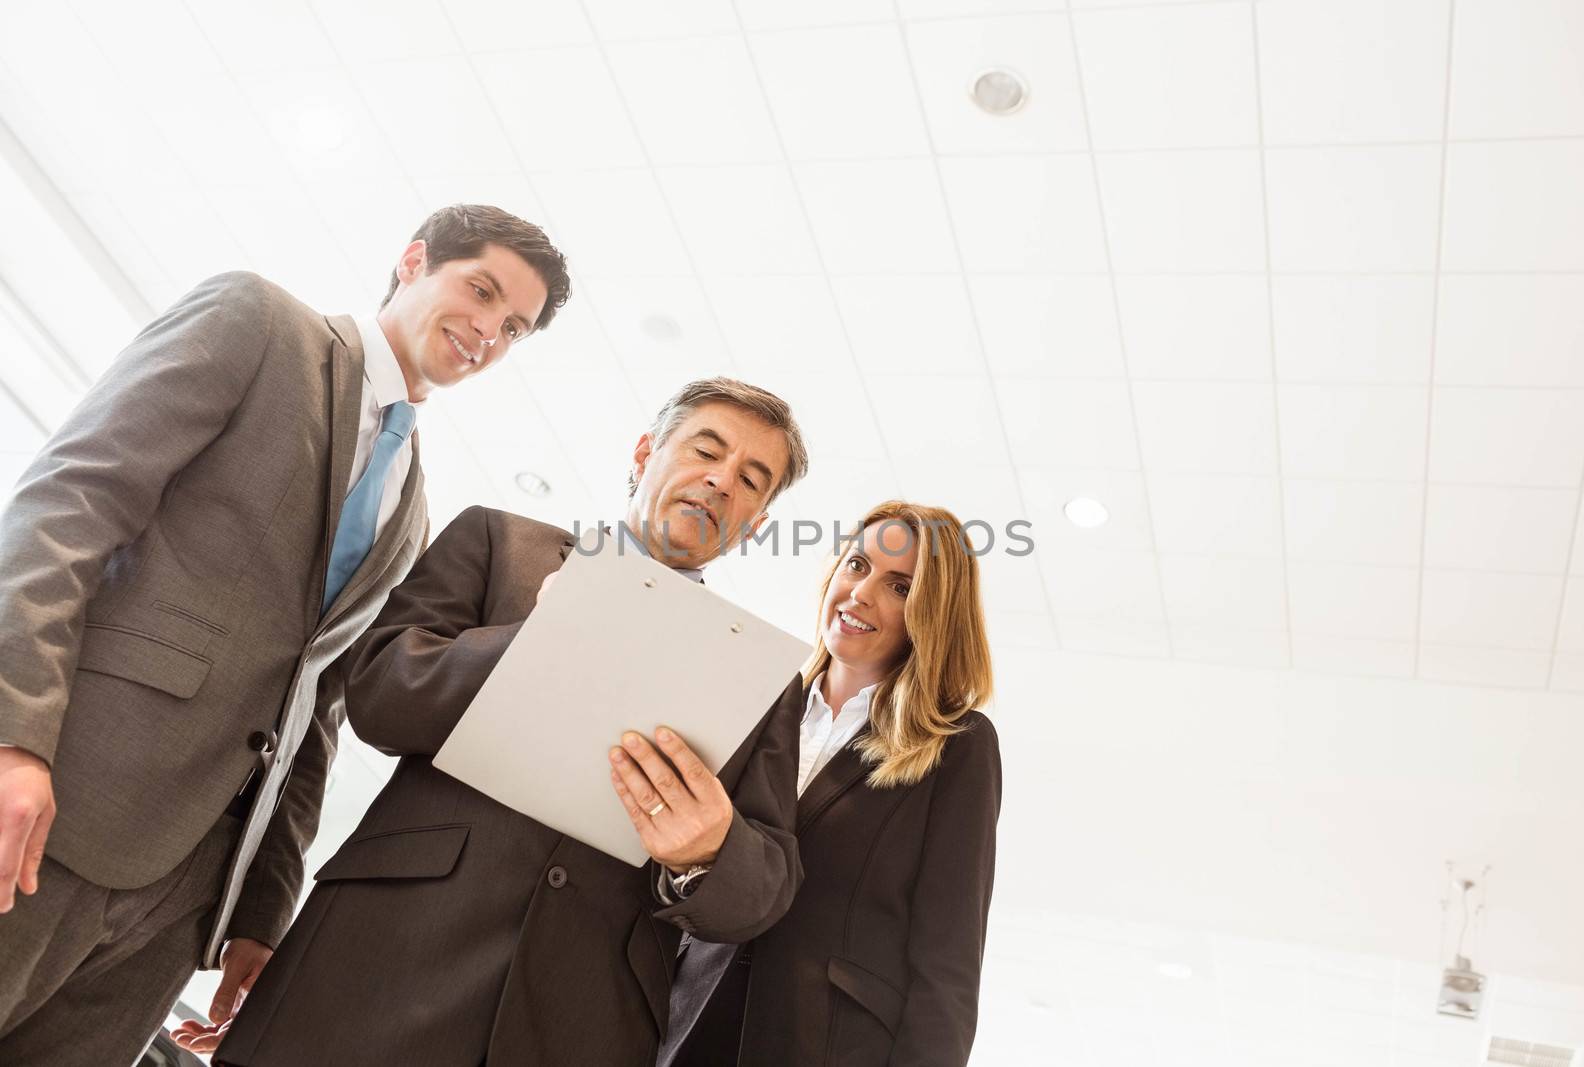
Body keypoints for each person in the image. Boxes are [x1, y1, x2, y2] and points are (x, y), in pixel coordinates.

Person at [0, 203, 569, 1066]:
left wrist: (261, 906)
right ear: (414, 261)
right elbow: (66, 508)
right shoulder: (259, 324)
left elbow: (319, 704)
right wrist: (15, 738)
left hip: (190, 891)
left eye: (514, 327)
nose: (489, 331)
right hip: (65, 799)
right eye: (480, 290)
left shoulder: (411, 506)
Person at [203, 378, 812, 1065]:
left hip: (579, 1021)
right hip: (378, 962)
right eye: (708, 449)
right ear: (645, 452)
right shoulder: (498, 541)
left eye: (752, 479)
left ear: (757, 519)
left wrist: (708, 851)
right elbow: (376, 693)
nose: (721, 481)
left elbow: (764, 884)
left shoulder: (761, 678)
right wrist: (534, 634)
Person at [658, 501, 1002, 1067]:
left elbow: (950, 960)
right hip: (688, 1023)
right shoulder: (755, 703)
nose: (862, 593)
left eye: (899, 586)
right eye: (857, 565)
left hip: (827, 1044)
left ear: (931, 613)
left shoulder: (957, 744)